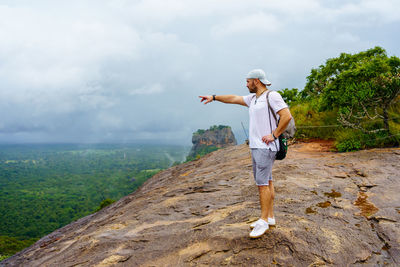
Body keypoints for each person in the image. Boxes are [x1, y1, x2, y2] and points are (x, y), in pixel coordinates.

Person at [199, 69, 292, 238]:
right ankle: (270, 217)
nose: (246, 84)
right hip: (258, 146)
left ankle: (262, 221)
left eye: (248, 81)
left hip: (265, 147)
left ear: (256, 81)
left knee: (262, 184)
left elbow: (286, 116)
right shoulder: (254, 99)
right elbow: (234, 98)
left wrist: (274, 134)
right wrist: (213, 97)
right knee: (268, 181)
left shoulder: (272, 96)